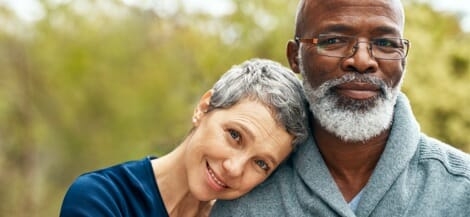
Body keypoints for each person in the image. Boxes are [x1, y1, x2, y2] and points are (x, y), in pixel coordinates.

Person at [210, 0, 470, 216]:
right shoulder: (241, 185)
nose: (362, 60)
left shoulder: (461, 189)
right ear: (295, 57)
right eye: (333, 40)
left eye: (385, 43)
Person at [59, 58, 308, 217]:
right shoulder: (102, 198)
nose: (234, 168)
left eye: (261, 163)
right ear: (204, 107)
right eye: (235, 136)